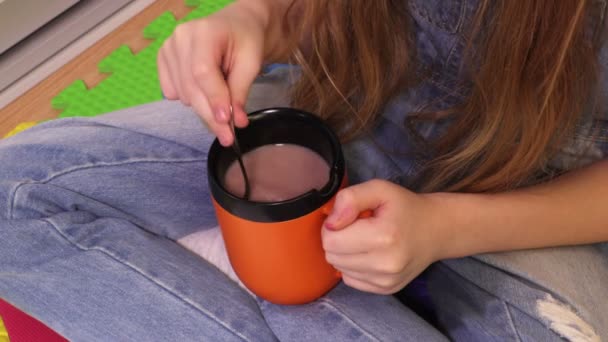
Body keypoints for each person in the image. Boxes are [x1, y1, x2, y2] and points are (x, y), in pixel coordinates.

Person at [1, 0, 607, 340]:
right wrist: (255, 21)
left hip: (526, 203)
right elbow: (333, 13)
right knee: (12, 192)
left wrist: (447, 227)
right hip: (352, 108)